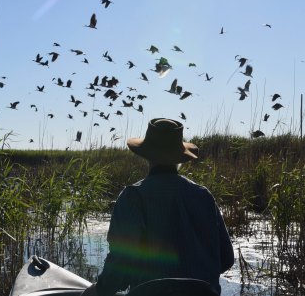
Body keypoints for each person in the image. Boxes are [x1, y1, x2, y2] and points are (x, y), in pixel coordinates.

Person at [81, 118, 234, 296]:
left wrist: (99, 290)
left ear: (147, 156)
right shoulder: (203, 195)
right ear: (179, 158)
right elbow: (226, 259)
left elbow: (121, 265)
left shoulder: (133, 197)